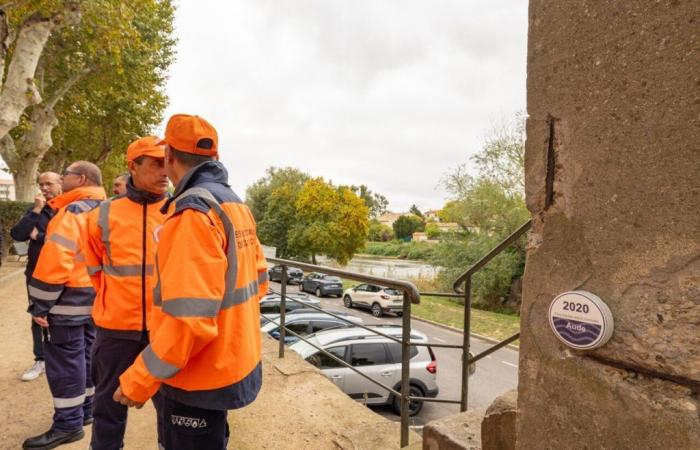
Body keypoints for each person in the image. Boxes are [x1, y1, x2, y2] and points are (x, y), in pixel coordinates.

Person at [115, 114, 268, 450]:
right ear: (214, 158)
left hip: (196, 377)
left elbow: (189, 320)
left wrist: (139, 380)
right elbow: (259, 281)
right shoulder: (234, 204)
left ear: (170, 155)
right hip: (230, 362)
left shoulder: (191, 214)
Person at [84, 137, 168, 450]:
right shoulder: (102, 215)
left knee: (170, 408)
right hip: (115, 330)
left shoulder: (179, 212)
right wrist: (116, 304)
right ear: (133, 166)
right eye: (155, 163)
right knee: (107, 408)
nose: (165, 171)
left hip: (165, 331)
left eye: (166, 162)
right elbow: (94, 270)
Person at [23, 161, 107, 450]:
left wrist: (40, 306)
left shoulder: (72, 212)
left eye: (65, 175)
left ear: (80, 179)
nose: (60, 179)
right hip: (97, 299)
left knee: (65, 363)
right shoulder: (110, 209)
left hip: (68, 301)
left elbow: (55, 261)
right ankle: (84, 411)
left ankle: (68, 425)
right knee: (86, 356)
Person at [10, 171, 62, 381]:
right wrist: (36, 210)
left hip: (63, 271)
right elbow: (18, 235)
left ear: (61, 184)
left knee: (64, 315)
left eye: (49, 183)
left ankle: (61, 358)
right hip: (36, 272)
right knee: (37, 315)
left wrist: (39, 236)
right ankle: (40, 359)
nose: (44, 188)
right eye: (41, 184)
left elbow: (64, 239)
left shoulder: (69, 209)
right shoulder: (34, 209)